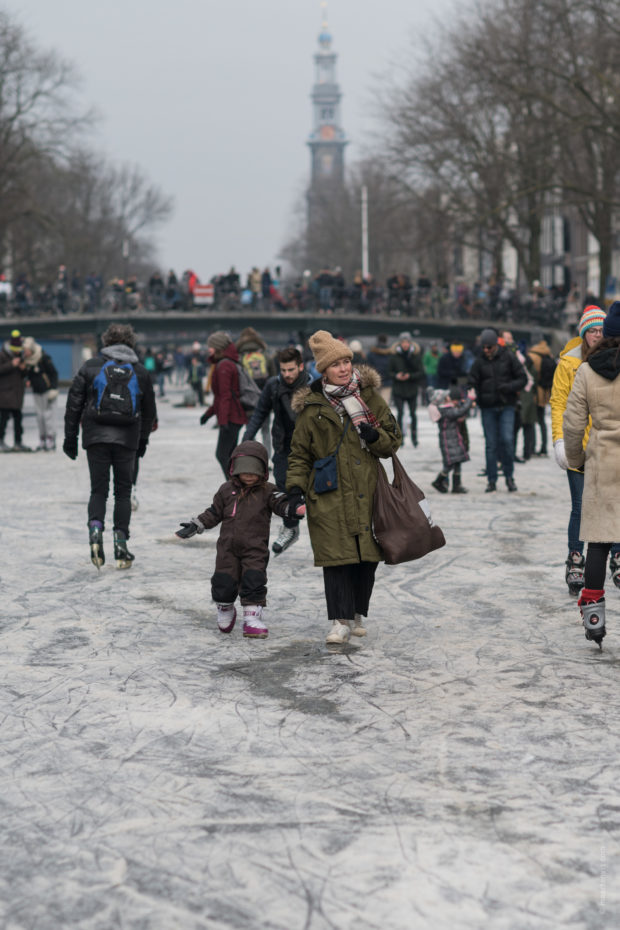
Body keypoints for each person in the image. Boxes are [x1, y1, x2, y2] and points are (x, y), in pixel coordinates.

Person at [286, 330, 402, 645]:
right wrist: (294, 489)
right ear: (323, 370)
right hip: (328, 493)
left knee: (367, 557)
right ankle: (340, 620)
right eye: (335, 364)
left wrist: (375, 437)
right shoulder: (312, 408)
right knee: (336, 558)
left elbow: (394, 440)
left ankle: (357, 611)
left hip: (368, 490)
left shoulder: (370, 398)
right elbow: (299, 454)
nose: (343, 368)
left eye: (346, 361)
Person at [175, 441, 305, 639]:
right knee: (223, 582)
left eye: (254, 472)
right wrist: (196, 525)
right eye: (245, 472)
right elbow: (214, 512)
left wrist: (292, 509)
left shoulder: (268, 491)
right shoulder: (226, 490)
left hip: (255, 548)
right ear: (235, 470)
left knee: (254, 581)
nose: (249, 476)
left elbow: (280, 503)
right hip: (227, 548)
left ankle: (252, 619)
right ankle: (225, 609)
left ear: (262, 471)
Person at [63, 323, 157, 569]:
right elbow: (149, 414)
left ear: (106, 342)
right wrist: (142, 442)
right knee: (123, 492)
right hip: (127, 440)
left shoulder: (91, 367)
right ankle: (121, 542)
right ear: (131, 343)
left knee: (98, 491)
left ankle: (95, 532)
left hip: (95, 437)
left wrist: (70, 438)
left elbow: (73, 405)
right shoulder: (140, 371)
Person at [550, 305, 620, 595]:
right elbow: (560, 406)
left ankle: (594, 605)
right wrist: (562, 445)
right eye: (590, 330)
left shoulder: (595, 368)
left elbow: (573, 418)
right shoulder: (570, 364)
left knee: (604, 524)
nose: (595, 335)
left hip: (599, 451)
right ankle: (575, 557)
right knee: (582, 509)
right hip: (587, 449)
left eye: (599, 330)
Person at [242, 346, 312, 554]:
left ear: (300, 366)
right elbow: (260, 413)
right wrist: (247, 440)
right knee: (284, 488)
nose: (287, 375)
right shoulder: (273, 386)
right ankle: (291, 529)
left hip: (309, 449)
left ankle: (324, 536)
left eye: (291, 370)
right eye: (283, 370)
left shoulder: (312, 387)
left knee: (312, 493)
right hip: (282, 446)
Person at [468, 327, 527, 492]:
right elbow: (472, 381)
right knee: (491, 444)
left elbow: (522, 378)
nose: (486, 350)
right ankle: (491, 480)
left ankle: (509, 476)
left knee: (507, 441)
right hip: (487, 407)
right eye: (484, 347)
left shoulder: (508, 356)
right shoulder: (479, 361)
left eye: (489, 347)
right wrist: (473, 394)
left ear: (496, 345)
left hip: (507, 405)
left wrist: (508, 387)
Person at [200, 331, 247, 477]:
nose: (209, 349)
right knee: (230, 455)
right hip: (233, 416)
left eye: (211, 346)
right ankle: (236, 487)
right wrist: (208, 414)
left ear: (219, 347)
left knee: (222, 454)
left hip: (231, 417)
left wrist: (223, 421)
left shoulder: (224, 365)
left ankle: (235, 486)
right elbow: (220, 396)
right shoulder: (225, 363)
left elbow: (225, 396)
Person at [428, 386, 475, 494]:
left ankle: (456, 486)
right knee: (449, 465)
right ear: (445, 400)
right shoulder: (446, 411)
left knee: (457, 462)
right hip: (449, 441)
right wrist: (470, 399)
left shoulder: (446, 410)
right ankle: (438, 481)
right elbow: (460, 412)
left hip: (452, 440)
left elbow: (460, 413)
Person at [22, 337, 59, 451]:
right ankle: (42, 439)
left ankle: (50, 439)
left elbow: (54, 373)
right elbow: (30, 374)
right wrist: (28, 380)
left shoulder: (43, 358)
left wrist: (53, 388)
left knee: (48, 416)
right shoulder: (28, 361)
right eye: (24, 350)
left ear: (32, 349)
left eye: (27, 350)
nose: (25, 352)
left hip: (47, 391)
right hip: (36, 391)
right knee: (39, 416)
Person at [388, 332, 424, 447]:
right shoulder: (394, 356)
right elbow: (389, 372)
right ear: (400, 343)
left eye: (407, 342)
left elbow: (421, 372)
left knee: (413, 414)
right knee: (400, 413)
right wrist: (396, 376)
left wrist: (410, 376)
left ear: (410, 343)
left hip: (412, 389)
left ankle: (414, 438)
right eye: (403, 342)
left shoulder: (415, 356)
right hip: (399, 388)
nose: (405, 344)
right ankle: (400, 438)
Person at [0, 329, 29, 451]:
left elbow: (23, 375)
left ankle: (18, 442)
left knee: (18, 420)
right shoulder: (2, 355)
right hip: (5, 394)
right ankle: (1, 441)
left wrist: (23, 369)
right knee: (4, 419)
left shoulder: (20, 355)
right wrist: (11, 364)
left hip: (17, 394)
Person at [527, 330, 555, 456]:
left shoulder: (532, 355)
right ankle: (544, 447)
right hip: (545, 392)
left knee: (532, 420)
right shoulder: (548, 353)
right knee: (542, 421)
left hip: (534, 392)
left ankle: (531, 447)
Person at [366, 334, 393, 405]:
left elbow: (368, 367)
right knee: (385, 404)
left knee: (374, 404)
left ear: (377, 341)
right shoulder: (390, 354)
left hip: (374, 381)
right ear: (386, 341)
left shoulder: (371, 353)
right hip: (387, 381)